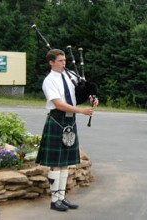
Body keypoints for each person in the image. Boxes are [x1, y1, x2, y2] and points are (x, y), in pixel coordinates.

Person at [36, 49, 99, 212]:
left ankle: (61, 197)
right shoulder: (49, 81)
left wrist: (91, 97)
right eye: (60, 61)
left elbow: (77, 96)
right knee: (56, 164)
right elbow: (58, 103)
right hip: (57, 119)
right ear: (51, 62)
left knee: (64, 163)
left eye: (64, 60)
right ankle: (54, 200)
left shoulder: (68, 77)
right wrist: (81, 111)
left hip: (70, 119)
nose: (64, 63)